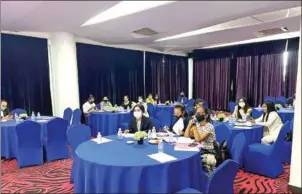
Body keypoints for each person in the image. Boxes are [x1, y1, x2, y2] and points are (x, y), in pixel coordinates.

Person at [184, 106, 217, 176]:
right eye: (197, 113)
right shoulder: (198, 124)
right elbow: (186, 136)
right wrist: (189, 125)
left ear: (206, 115)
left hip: (208, 151)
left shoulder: (209, 126)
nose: (198, 115)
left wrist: (195, 129)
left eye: (200, 113)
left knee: (191, 162)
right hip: (198, 149)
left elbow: (198, 139)